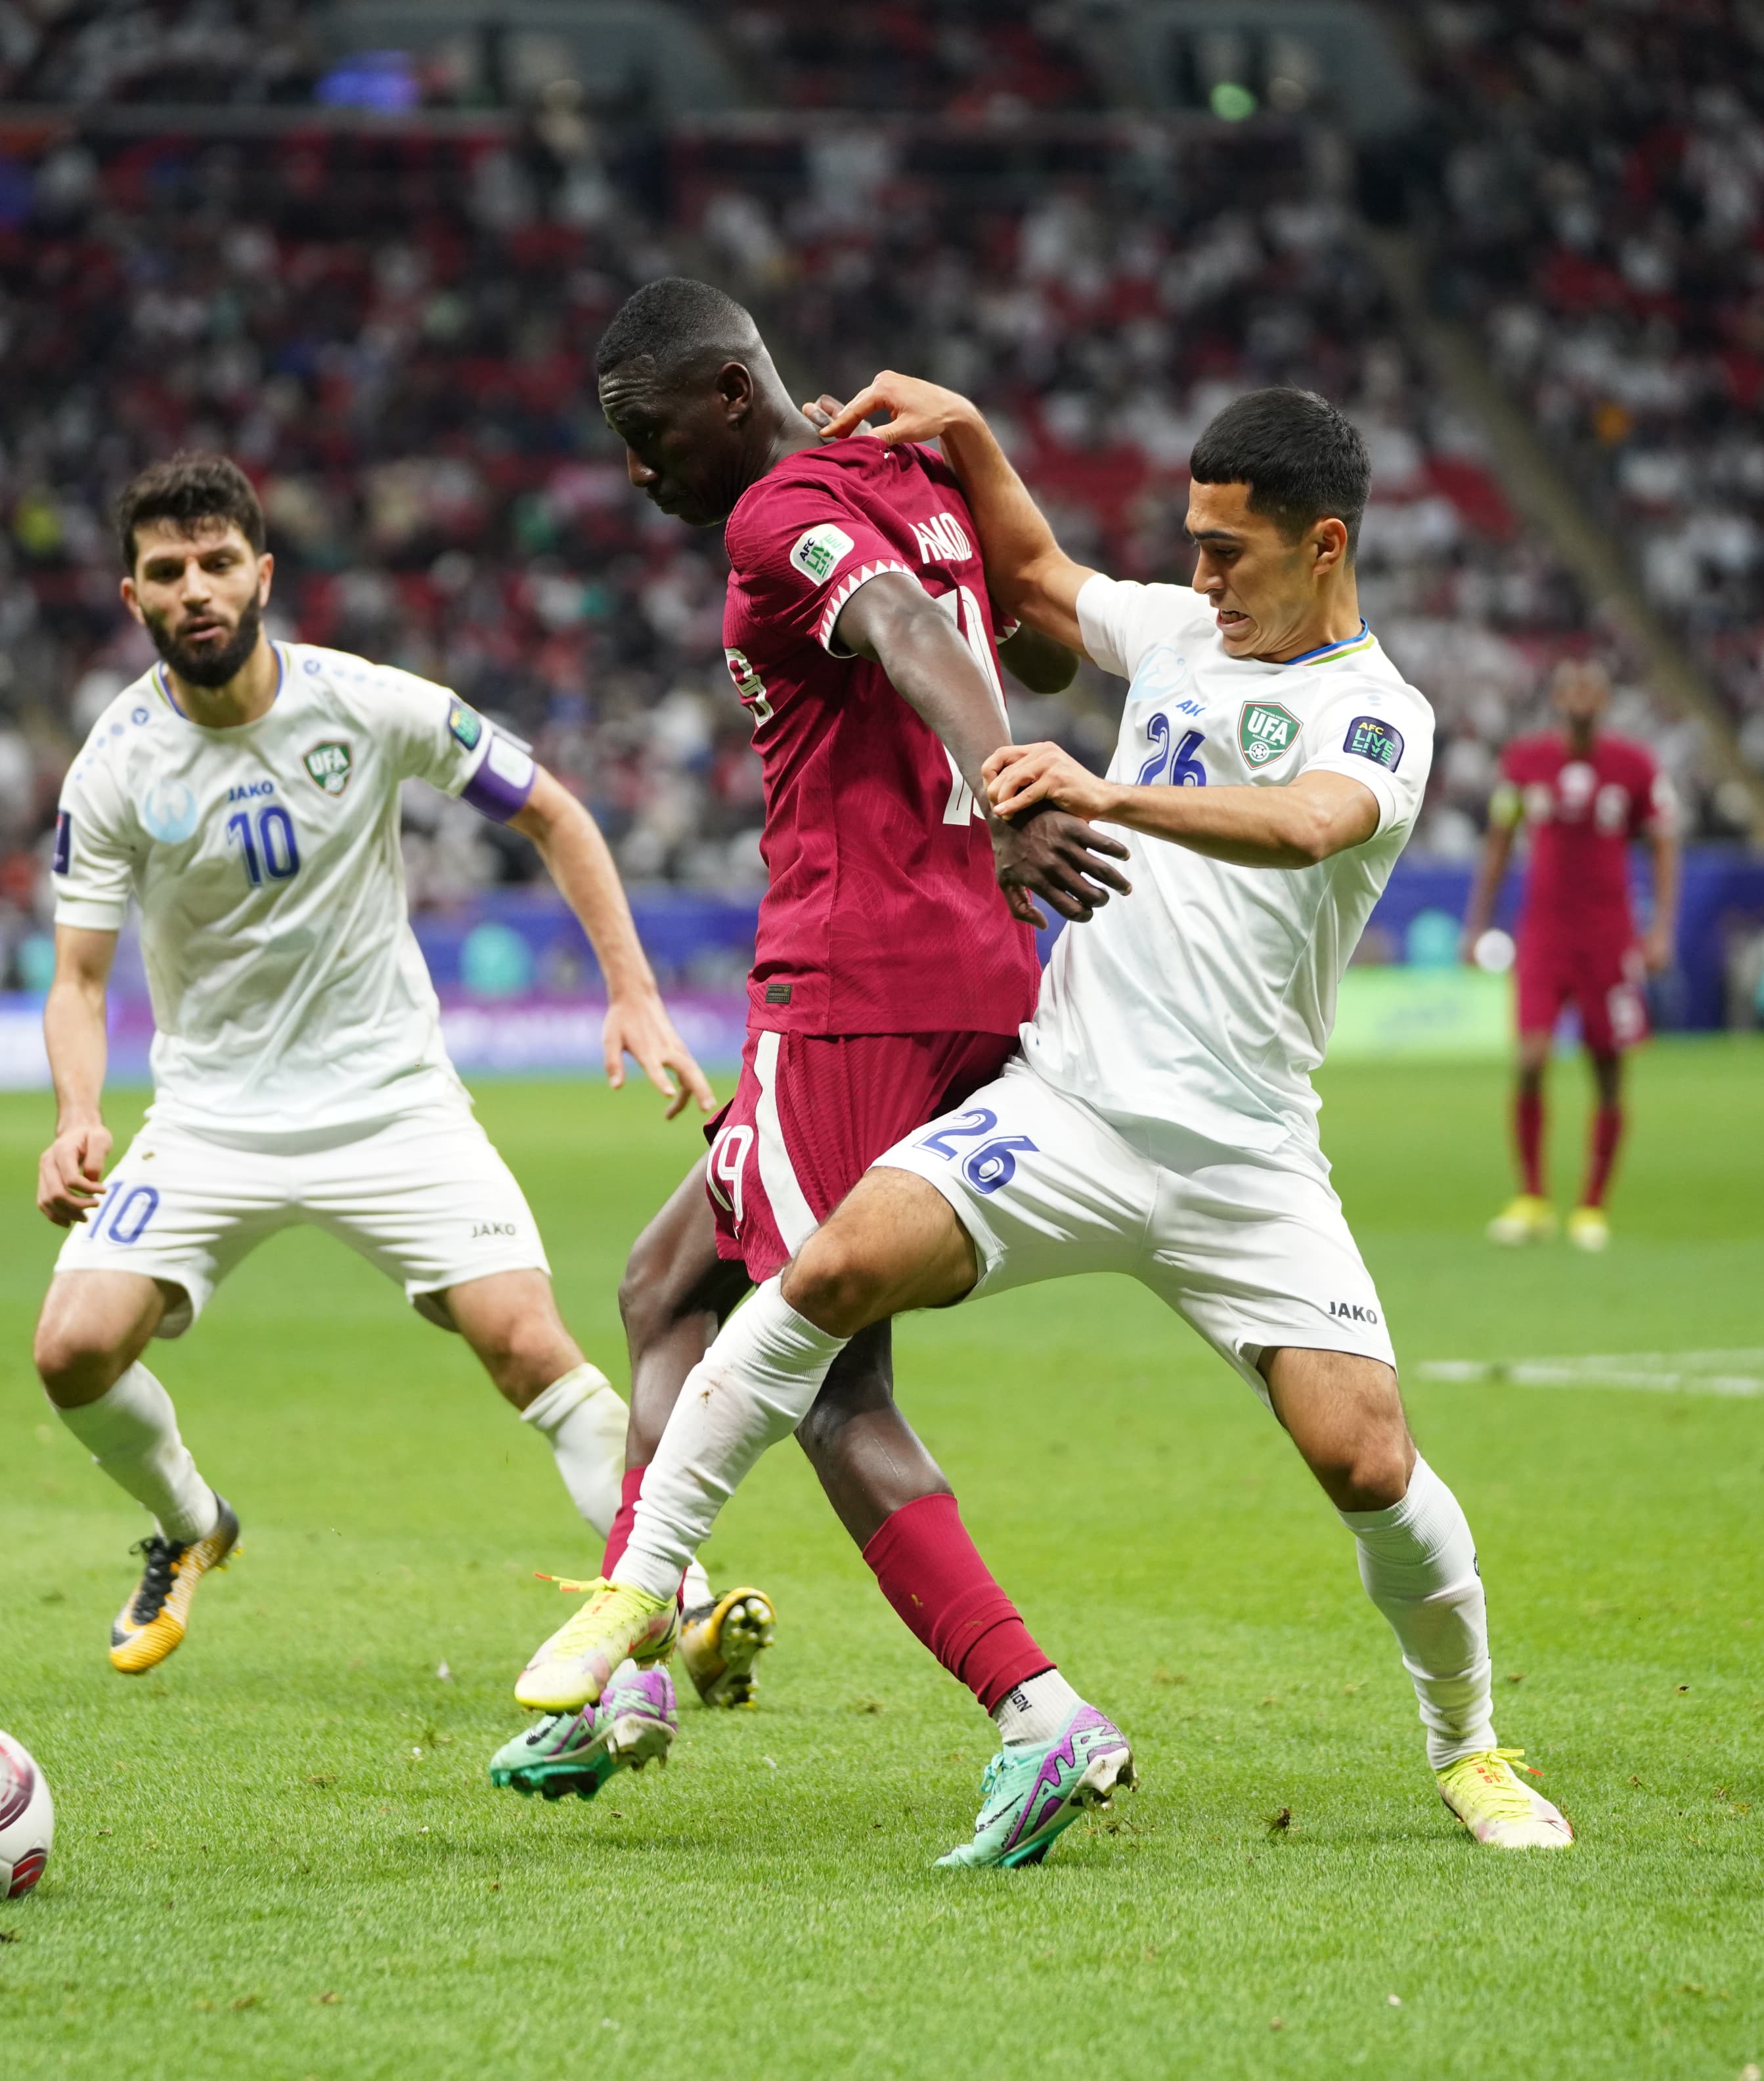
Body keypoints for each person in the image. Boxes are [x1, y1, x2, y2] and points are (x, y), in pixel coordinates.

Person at [516, 372, 1572, 1867]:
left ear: (1322, 545)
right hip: (1065, 1108)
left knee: (1363, 1459)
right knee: (821, 1273)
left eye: (1229, 551)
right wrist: (966, 434)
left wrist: (1110, 794)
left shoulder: (1375, 713)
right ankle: (643, 1576)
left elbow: (1305, 824)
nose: (1197, 579)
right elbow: (1030, 579)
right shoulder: (1178, 632)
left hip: (1241, 1157)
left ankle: (1465, 1746)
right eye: (1191, 544)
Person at [491, 280, 1132, 1805]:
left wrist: (1003, 795)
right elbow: (1030, 656)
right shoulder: (904, 470)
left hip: (851, 980)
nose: (640, 476)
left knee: (831, 1379)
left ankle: (1036, 1712)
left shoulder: (775, 513)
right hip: (970, 966)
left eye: (649, 440)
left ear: (726, 393)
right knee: (661, 1286)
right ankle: (633, 1672)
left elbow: (911, 631)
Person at [30, 453, 718, 1680]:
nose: (196, 589)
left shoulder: (368, 702)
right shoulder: (115, 764)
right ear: (131, 597)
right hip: (209, 1119)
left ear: (263, 575)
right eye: (166, 571)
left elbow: (552, 807)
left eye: (217, 564)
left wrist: (633, 991)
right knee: (71, 1349)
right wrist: (77, 1114)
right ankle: (192, 1524)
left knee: (526, 1343)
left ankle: (687, 1600)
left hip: (390, 1103)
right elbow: (78, 979)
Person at [1458, 658, 1680, 1251]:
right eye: (1572, 687)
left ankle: (1592, 1206)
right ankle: (1532, 1196)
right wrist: (1477, 924)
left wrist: (1660, 930)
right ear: (1557, 697)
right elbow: (1500, 843)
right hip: (1544, 935)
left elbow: (1664, 844)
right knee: (1530, 1059)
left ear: (1604, 698)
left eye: (1592, 687)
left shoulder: (1634, 766)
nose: (1581, 696)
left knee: (1607, 1067)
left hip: (1609, 937)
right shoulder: (1525, 764)